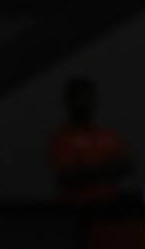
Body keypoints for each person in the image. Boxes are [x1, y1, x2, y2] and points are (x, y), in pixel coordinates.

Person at [50, 77, 133, 205]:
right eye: (80, 98)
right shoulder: (61, 138)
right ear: (69, 101)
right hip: (75, 210)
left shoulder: (107, 134)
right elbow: (70, 177)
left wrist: (86, 170)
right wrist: (107, 168)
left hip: (109, 207)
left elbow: (126, 166)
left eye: (88, 98)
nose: (84, 103)